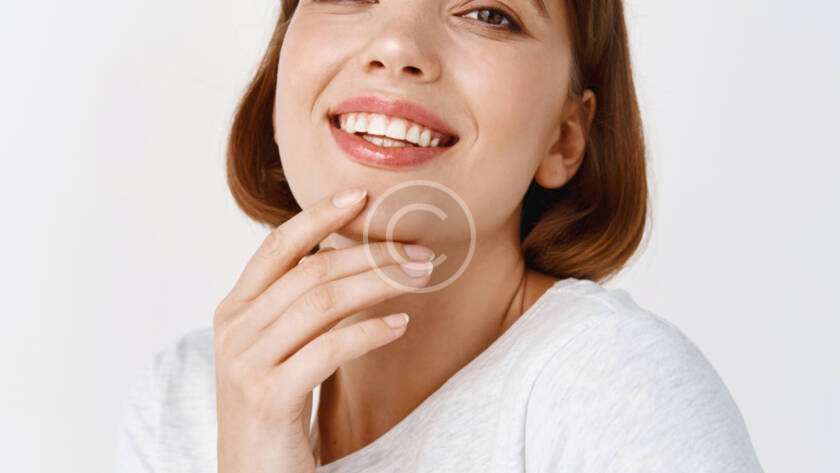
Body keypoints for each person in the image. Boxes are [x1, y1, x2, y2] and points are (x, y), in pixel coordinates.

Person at [116, 0, 765, 471]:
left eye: (487, 13)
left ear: (565, 137)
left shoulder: (617, 389)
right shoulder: (189, 402)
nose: (397, 46)